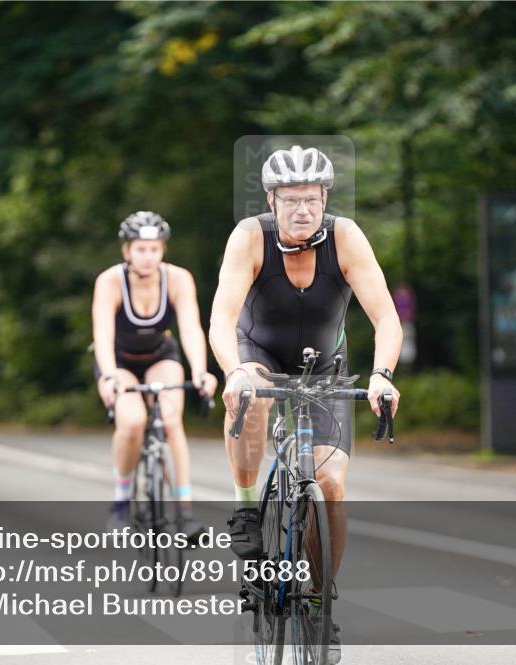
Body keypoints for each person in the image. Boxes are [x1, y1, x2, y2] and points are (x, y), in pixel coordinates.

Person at [209, 145, 402, 660]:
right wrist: (232, 372)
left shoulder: (346, 237)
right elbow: (222, 317)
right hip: (259, 353)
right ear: (272, 200)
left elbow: (385, 318)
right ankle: (247, 509)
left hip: (324, 365)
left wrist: (383, 376)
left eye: (311, 199)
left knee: (331, 482)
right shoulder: (250, 237)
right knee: (251, 396)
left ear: (325, 199)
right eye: (291, 199)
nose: (302, 209)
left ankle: (319, 601)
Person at [91, 211, 218, 543]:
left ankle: (186, 514)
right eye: (141, 249)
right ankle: (120, 501)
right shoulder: (110, 281)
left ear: (163, 250)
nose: (148, 256)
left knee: (172, 418)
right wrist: (107, 377)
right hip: (119, 361)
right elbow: (102, 333)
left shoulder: (177, 279)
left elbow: (190, 328)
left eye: (154, 249)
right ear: (127, 251)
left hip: (160, 356)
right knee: (132, 421)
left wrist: (200, 371)